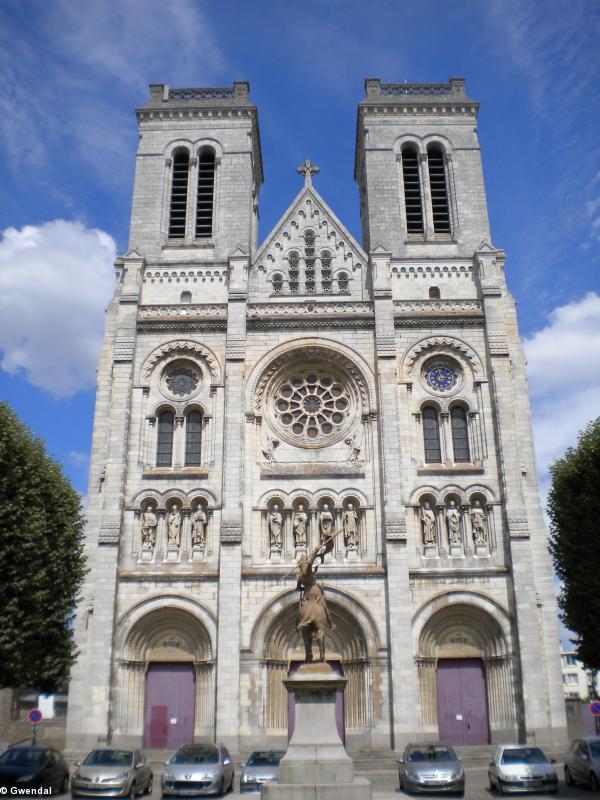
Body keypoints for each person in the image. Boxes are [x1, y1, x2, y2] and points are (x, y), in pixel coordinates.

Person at [296, 543, 335, 662]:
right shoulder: (306, 572)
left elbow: (298, 588)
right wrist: (315, 552)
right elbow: (310, 565)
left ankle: (308, 654)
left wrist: (304, 588)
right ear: (304, 564)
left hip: (307, 595)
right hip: (315, 592)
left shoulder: (299, 576)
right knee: (324, 606)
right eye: (305, 563)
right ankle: (331, 622)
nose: (306, 564)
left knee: (300, 612)